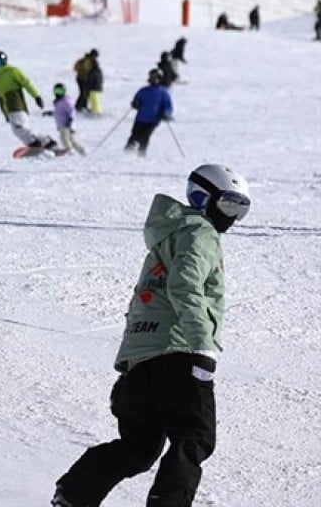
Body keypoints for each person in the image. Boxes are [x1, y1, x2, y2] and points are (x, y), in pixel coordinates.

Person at [52, 164, 250, 507]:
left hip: (141, 361)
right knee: (195, 436)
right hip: (179, 350)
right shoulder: (200, 233)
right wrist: (201, 345)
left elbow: (147, 299)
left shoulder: (166, 238)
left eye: (241, 210)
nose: (232, 218)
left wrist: (134, 360)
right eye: (229, 205)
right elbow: (185, 286)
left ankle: (74, 495)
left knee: (139, 448)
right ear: (204, 199)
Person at [0, 50, 57, 153]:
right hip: (8, 109)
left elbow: (27, 83)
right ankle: (41, 142)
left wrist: (36, 96)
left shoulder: (13, 71)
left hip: (16, 105)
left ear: (4, 61)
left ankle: (39, 142)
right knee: (21, 129)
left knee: (19, 129)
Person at [125, 70, 173, 157]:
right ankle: (127, 152)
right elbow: (137, 101)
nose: (153, 79)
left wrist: (166, 113)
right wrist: (135, 104)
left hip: (153, 120)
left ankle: (141, 153)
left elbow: (168, 105)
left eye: (155, 77)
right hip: (141, 118)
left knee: (145, 137)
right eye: (152, 77)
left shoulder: (163, 93)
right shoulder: (143, 91)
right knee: (134, 135)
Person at [48, 83, 85, 156]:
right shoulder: (59, 101)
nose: (58, 93)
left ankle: (70, 151)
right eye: (56, 91)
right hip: (63, 124)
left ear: (64, 91)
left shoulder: (66, 101)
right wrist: (51, 113)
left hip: (66, 124)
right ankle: (82, 151)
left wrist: (70, 120)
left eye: (60, 91)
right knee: (72, 140)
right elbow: (59, 112)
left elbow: (71, 111)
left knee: (64, 139)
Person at [85, 50, 104, 116]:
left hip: (94, 86)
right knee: (94, 99)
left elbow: (92, 78)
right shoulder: (97, 69)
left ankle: (96, 112)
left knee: (95, 99)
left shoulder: (93, 71)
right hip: (96, 86)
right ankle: (95, 110)